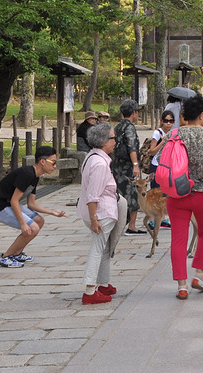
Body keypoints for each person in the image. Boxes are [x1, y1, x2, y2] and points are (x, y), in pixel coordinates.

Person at [167, 95, 203, 299]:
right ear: (202, 115)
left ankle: (181, 286)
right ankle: (199, 274)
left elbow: (160, 160)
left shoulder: (174, 134)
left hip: (177, 192)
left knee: (178, 239)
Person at [0, 146, 66, 269]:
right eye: (53, 162)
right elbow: (14, 201)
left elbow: (31, 204)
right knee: (32, 228)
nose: (55, 166)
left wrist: (52, 212)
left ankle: (17, 253)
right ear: (42, 161)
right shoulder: (26, 174)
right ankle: (6, 257)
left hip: (10, 205)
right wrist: (23, 224)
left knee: (39, 221)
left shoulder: (35, 176)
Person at [77, 123, 121, 304]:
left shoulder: (92, 157)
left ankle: (103, 283)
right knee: (97, 249)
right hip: (102, 212)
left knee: (103, 249)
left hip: (99, 211)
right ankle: (89, 290)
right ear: (104, 141)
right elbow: (93, 195)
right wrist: (94, 218)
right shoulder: (100, 163)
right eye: (112, 138)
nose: (115, 142)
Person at [112, 99, 145, 236]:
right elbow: (132, 146)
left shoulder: (117, 127)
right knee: (132, 193)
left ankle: (118, 223)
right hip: (128, 166)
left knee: (119, 194)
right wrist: (136, 165)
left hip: (116, 165)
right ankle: (131, 225)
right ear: (134, 113)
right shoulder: (130, 127)